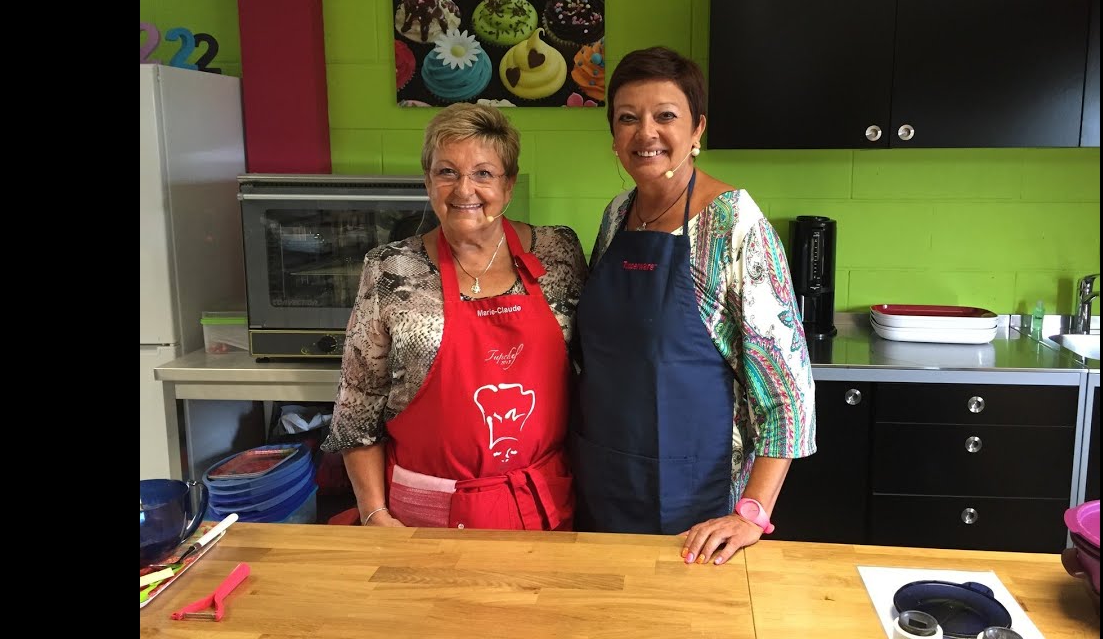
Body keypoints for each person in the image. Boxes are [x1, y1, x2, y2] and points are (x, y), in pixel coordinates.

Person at [573, 47, 816, 565]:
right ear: (613, 134)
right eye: (628, 118)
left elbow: (789, 391)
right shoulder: (617, 215)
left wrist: (751, 513)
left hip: (696, 504)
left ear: (697, 128)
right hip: (604, 482)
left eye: (665, 115)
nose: (646, 133)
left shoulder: (735, 224)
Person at [321, 103, 587, 530]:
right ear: (428, 181)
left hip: (540, 507)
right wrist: (374, 514)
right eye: (447, 172)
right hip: (423, 517)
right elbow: (358, 404)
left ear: (509, 184)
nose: (465, 190)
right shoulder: (391, 268)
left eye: (483, 173)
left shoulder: (558, 252)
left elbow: (592, 367)